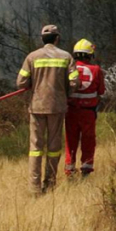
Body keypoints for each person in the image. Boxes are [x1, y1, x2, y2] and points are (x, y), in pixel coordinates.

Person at [16, 24, 79, 195]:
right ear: (57, 38)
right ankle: (49, 184)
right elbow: (75, 82)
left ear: (42, 39)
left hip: (37, 107)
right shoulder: (66, 57)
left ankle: (34, 188)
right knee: (54, 147)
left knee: (35, 148)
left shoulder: (32, 57)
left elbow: (21, 82)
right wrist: (65, 93)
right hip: (57, 107)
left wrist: (34, 83)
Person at [64, 38, 105, 178]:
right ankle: (86, 170)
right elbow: (101, 91)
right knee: (88, 140)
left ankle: (69, 170)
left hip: (71, 111)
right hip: (88, 112)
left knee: (70, 141)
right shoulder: (96, 70)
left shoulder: (69, 70)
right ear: (90, 54)